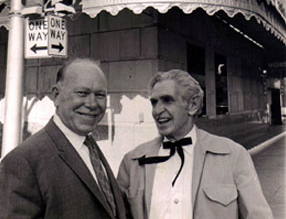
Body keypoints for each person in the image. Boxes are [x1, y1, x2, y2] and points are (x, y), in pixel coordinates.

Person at [117, 69, 273, 219]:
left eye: (167, 100)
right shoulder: (132, 162)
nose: (157, 111)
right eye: (154, 102)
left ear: (193, 105)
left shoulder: (233, 156)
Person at [0, 58, 126, 219]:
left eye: (100, 95)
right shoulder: (22, 162)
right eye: (82, 93)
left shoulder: (90, 147)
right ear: (56, 95)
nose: (92, 103)